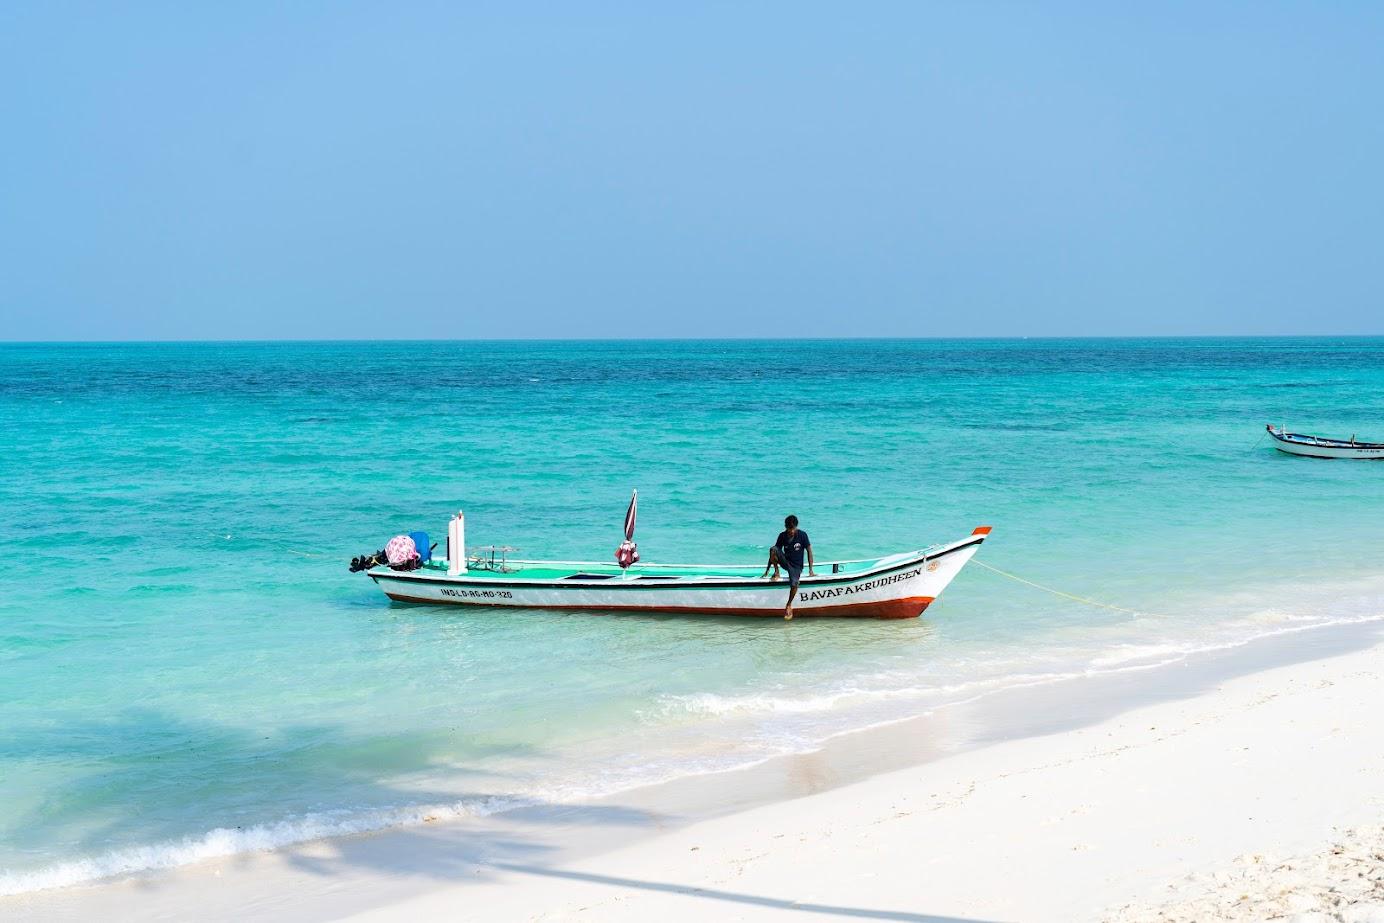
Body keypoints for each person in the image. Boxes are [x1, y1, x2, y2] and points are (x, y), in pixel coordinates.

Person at [761, 514, 815, 619]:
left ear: (796, 527)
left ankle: (789, 604)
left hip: (796, 566)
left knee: (794, 583)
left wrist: (811, 570)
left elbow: (809, 551)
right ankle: (777, 572)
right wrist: (768, 569)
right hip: (786, 562)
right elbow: (774, 552)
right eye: (789, 529)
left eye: (793, 528)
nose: (791, 531)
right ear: (785, 527)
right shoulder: (782, 535)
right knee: (773, 548)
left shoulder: (803, 535)